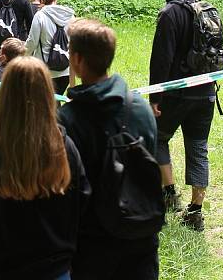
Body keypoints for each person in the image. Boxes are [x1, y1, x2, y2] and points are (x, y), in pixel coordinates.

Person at [0, 57, 90, 280]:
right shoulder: (65, 147)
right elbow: (83, 207)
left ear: (5, 95)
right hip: (55, 269)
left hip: (1, 268)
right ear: (47, 95)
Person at [60, 19, 160, 280]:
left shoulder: (68, 119)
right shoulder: (140, 107)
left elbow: (68, 189)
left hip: (93, 244)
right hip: (141, 234)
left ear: (78, 59)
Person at [149, 0, 217, 232]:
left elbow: (161, 60)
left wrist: (155, 97)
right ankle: (196, 210)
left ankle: (169, 193)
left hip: (177, 94)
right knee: (198, 147)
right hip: (207, 91)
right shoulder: (209, 10)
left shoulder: (170, 13)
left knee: (158, 137)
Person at [26, 0, 75, 96]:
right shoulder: (70, 16)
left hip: (44, 69)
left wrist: (23, 56)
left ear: (41, 0)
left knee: (46, 103)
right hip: (65, 69)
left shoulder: (40, 16)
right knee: (55, 100)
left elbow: (32, 42)